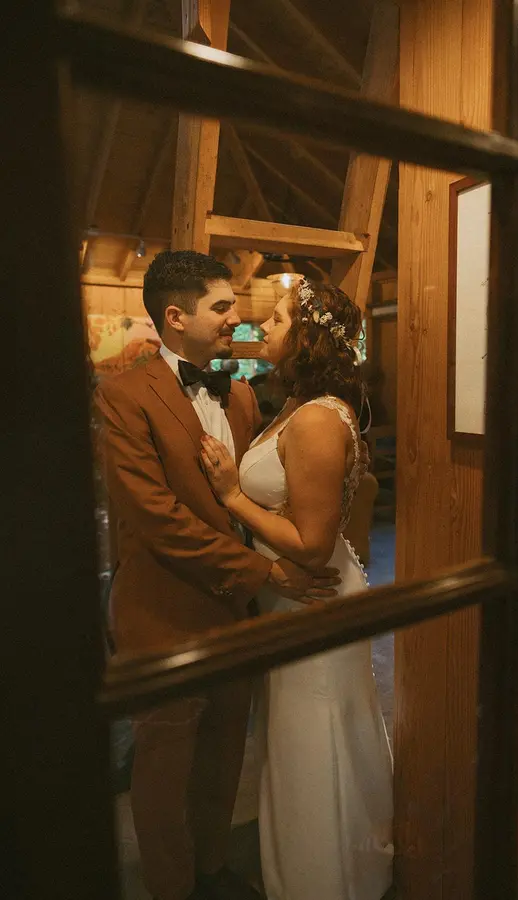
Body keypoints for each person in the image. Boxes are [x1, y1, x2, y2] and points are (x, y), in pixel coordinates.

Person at [94, 251, 340, 900]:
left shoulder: (239, 395)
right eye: (223, 306)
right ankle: (171, 888)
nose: (238, 318)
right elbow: (157, 518)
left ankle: (212, 869)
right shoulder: (122, 396)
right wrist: (265, 571)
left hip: (237, 613)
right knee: (164, 770)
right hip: (164, 612)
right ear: (177, 317)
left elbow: (251, 500)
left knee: (226, 753)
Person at [201, 278, 394, 900]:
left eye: (279, 319)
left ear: (307, 337)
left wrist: (232, 495)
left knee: (314, 745)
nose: (264, 327)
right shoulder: (296, 405)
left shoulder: (315, 420)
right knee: (294, 741)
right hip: (289, 596)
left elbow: (311, 543)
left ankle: (325, 882)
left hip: (312, 593)